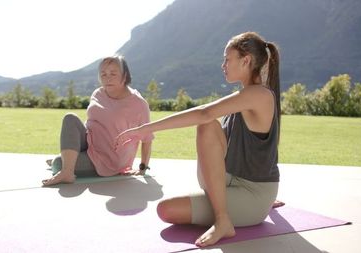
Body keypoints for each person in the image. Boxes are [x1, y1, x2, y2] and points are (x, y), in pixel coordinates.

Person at [115, 32, 281, 247]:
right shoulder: (244, 97)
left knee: (166, 209)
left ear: (246, 60)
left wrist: (143, 129)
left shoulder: (260, 95)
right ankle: (225, 213)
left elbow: (204, 113)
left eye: (227, 59)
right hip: (229, 180)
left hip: (252, 194)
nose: (223, 65)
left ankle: (223, 221)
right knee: (208, 126)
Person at [42, 55, 154, 186]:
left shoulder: (138, 104)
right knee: (70, 118)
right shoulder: (98, 93)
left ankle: (66, 166)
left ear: (125, 76)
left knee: (57, 164)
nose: (107, 78)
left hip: (109, 159)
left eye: (113, 73)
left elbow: (147, 138)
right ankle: (68, 169)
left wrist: (142, 168)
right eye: (103, 74)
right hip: (90, 142)